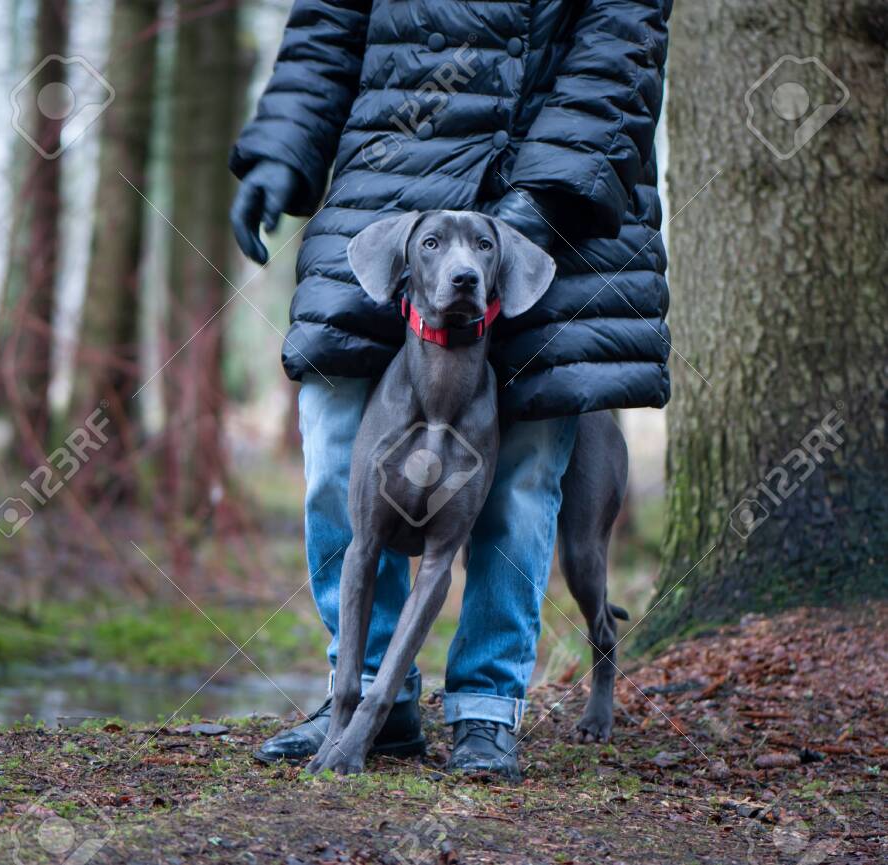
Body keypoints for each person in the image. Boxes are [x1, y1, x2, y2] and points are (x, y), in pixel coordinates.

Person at [229, 0, 673, 780]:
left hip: (564, 204)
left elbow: (623, 44)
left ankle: (486, 708)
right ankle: (372, 690)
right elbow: (330, 21)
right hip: (388, 185)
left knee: (524, 475)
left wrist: (539, 204)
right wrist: (282, 146)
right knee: (337, 444)